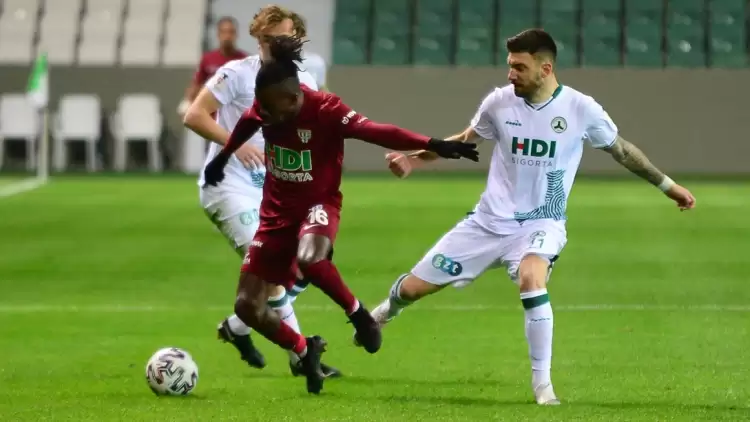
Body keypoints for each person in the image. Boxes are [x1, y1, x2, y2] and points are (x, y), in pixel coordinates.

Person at [364, 28, 697, 405]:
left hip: (541, 223)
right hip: (487, 223)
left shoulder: (581, 109)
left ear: (546, 68)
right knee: (411, 289)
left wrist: (668, 186)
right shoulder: (499, 103)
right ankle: (384, 313)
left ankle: (543, 385)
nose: (511, 74)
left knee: (531, 278)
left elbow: (621, 150)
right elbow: (465, 139)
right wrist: (413, 160)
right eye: (509, 66)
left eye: (519, 67)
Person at [202, 35, 480, 394]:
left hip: (318, 205)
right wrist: (223, 158)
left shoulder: (326, 109)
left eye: (272, 108)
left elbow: (376, 131)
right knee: (246, 307)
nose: (265, 114)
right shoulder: (267, 104)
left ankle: (360, 316)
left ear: (294, 97)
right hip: (275, 215)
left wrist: (432, 143)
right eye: (263, 107)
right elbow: (246, 122)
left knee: (311, 259)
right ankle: (305, 351)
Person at [183, 5, 340, 377]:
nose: (274, 46)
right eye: (268, 40)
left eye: (282, 39)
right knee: (272, 272)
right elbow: (194, 115)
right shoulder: (236, 73)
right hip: (228, 187)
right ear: (258, 40)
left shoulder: (305, 81)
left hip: (273, 193)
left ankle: (237, 328)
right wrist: (234, 144)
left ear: (297, 39)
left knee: (309, 261)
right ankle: (303, 357)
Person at [177, 16, 247, 117]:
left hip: (234, 115)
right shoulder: (207, 59)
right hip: (210, 116)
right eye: (224, 32)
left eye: (231, 32)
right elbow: (196, 83)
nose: (227, 36)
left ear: (236, 35)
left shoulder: (244, 60)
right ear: (218, 34)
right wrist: (187, 102)